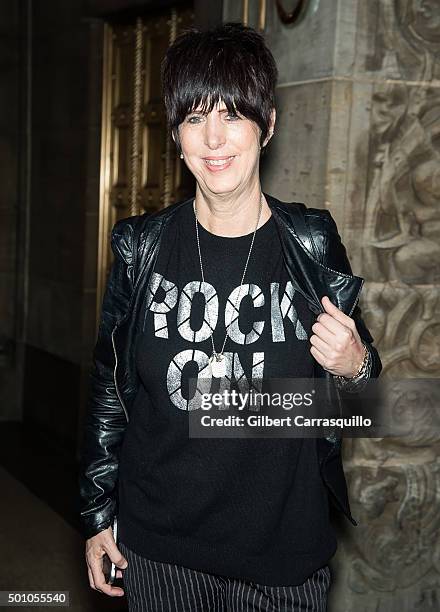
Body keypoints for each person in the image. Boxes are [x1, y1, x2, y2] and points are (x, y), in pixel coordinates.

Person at [78, 22, 382, 611]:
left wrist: (355, 363)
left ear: (266, 123)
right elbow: (110, 391)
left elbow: (360, 395)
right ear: (175, 132)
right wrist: (96, 512)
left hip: (281, 558)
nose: (214, 139)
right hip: (159, 548)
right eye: (194, 117)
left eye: (232, 115)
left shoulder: (312, 242)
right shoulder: (140, 246)